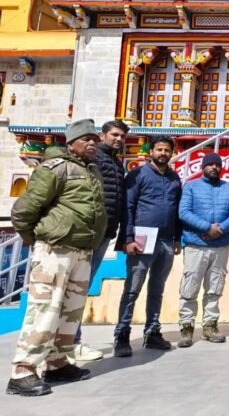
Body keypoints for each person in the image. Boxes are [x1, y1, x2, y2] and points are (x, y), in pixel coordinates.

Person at [6, 119, 107, 397]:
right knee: (45, 308)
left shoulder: (92, 171)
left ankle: (57, 362)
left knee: (70, 311)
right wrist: (39, 238)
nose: (92, 143)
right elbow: (24, 210)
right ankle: (23, 370)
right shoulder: (55, 168)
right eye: (85, 139)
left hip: (82, 250)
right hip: (55, 250)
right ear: (71, 142)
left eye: (94, 139)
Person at [113, 136, 182, 357]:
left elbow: (177, 210)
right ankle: (122, 334)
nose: (163, 153)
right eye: (159, 149)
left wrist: (177, 238)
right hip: (142, 237)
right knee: (133, 289)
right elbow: (129, 208)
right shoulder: (137, 175)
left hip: (166, 239)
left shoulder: (174, 178)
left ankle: (152, 331)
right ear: (151, 151)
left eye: (167, 150)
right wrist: (128, 238)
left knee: (157, 289)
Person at [73, 119, 128, 362]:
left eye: (122, 136)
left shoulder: (115, 163)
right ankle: (70, 341)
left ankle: (70, 339)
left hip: (104, 232)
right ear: (102, 135)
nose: (118, 139)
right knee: (75, 287)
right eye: (114, 134)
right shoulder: (95, 159)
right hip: (88, 231)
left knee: (81, 285)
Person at [177, 153, 229, 347]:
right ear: (203, 167)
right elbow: (183, 212)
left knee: (215, 288)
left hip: (220, 245)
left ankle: (210, 325)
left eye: (217, 165)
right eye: (210, 164)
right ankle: (186, 327)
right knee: (190, 286)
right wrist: (207, 228)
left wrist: (220, 229)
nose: (214, 167)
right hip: (196, 245)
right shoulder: (191, 187)